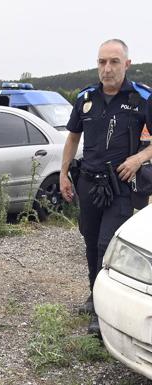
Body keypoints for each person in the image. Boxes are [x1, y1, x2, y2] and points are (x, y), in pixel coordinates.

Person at [60, 39, 152, 335]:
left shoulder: (143, 98)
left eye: (114, 62)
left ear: (127, 64)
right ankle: (93, 293)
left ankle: (103, 313)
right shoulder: (85, 98)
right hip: (89, 184)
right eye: (102, 62)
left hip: (121, 186)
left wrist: (139, 158)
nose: (107, 69)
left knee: (106, 245)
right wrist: (63, 173)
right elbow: (73, 137)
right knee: (89, 243)